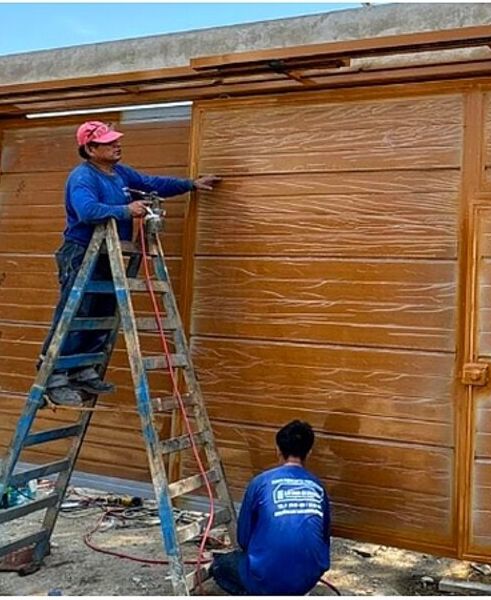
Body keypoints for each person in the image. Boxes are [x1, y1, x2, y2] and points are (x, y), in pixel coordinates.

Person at [40, 120, 220, 406]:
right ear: (89, 148)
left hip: (107, 253)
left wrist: (190, 184)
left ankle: (83, 369)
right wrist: (125, 210)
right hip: (81, 252)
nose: (116, 145)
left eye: (115, 141)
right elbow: (87, 211)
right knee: (76, 312)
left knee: (103, 311)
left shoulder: (119, 173)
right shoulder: (83, 177)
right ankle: (54, 376)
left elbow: (151, 183)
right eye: (109, 143)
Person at [211, 420, 331, 595]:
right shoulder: (317, 486)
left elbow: (243, 539)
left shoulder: (261, 482)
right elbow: (324, 537)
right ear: (309, 452)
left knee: (219, 566)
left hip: (266, 579)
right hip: (307, 580)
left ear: (277, 450)